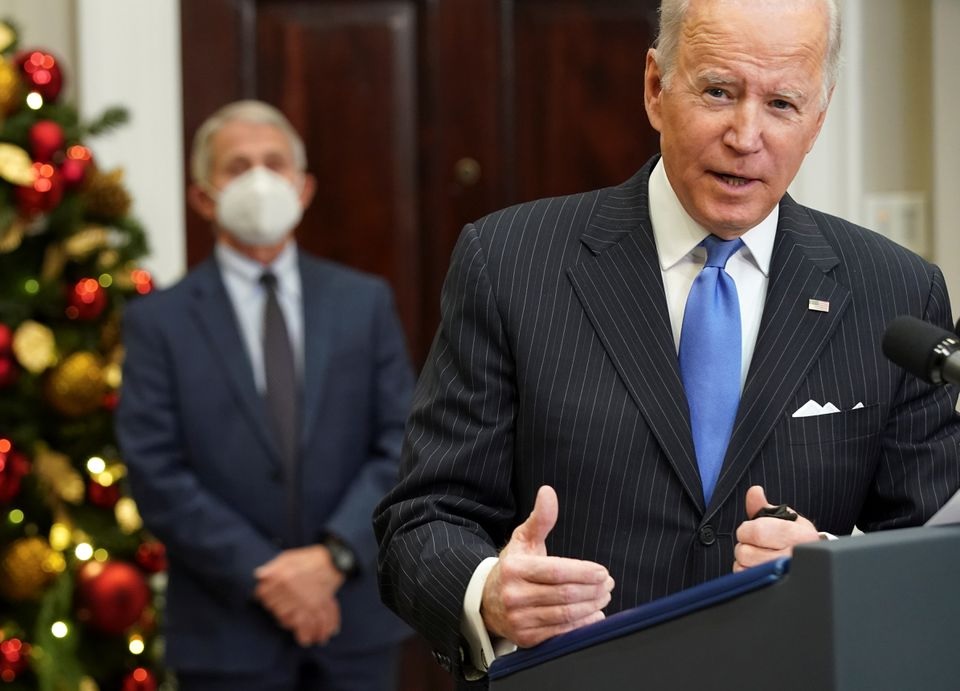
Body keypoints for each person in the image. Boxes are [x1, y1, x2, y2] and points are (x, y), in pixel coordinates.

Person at [373, 0, 960, 686]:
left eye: (782, 104)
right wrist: (490, 594)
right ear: (655, 87)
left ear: (820, 118)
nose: (747, 135)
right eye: (718, 91)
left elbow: (933, 559)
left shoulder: (895, 291)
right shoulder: (509, 263)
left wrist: (827, 563)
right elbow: (420, 521)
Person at [117, 100, 414, 691]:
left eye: (274, 163)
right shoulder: (158, 321)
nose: (258, 179)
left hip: (354, 623)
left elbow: (402, 442)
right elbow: (155, 469)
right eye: (237, 166)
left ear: (303, 188)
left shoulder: (364, 303)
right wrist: (266, 574)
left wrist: (332, 559)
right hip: (225, 633)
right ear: (203, 195)